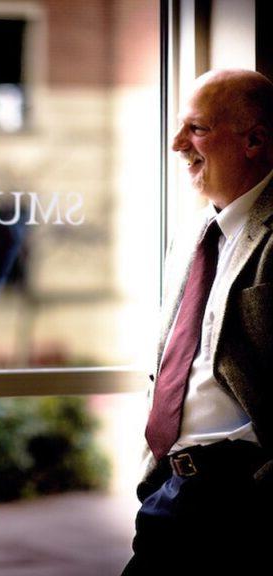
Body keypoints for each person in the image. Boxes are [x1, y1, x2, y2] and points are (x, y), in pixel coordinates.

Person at [123, 69, 273, 574]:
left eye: (197, 129)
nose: (176, 143)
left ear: (255, 140)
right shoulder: (192, 237)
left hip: (246, 503)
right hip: (173, 491)